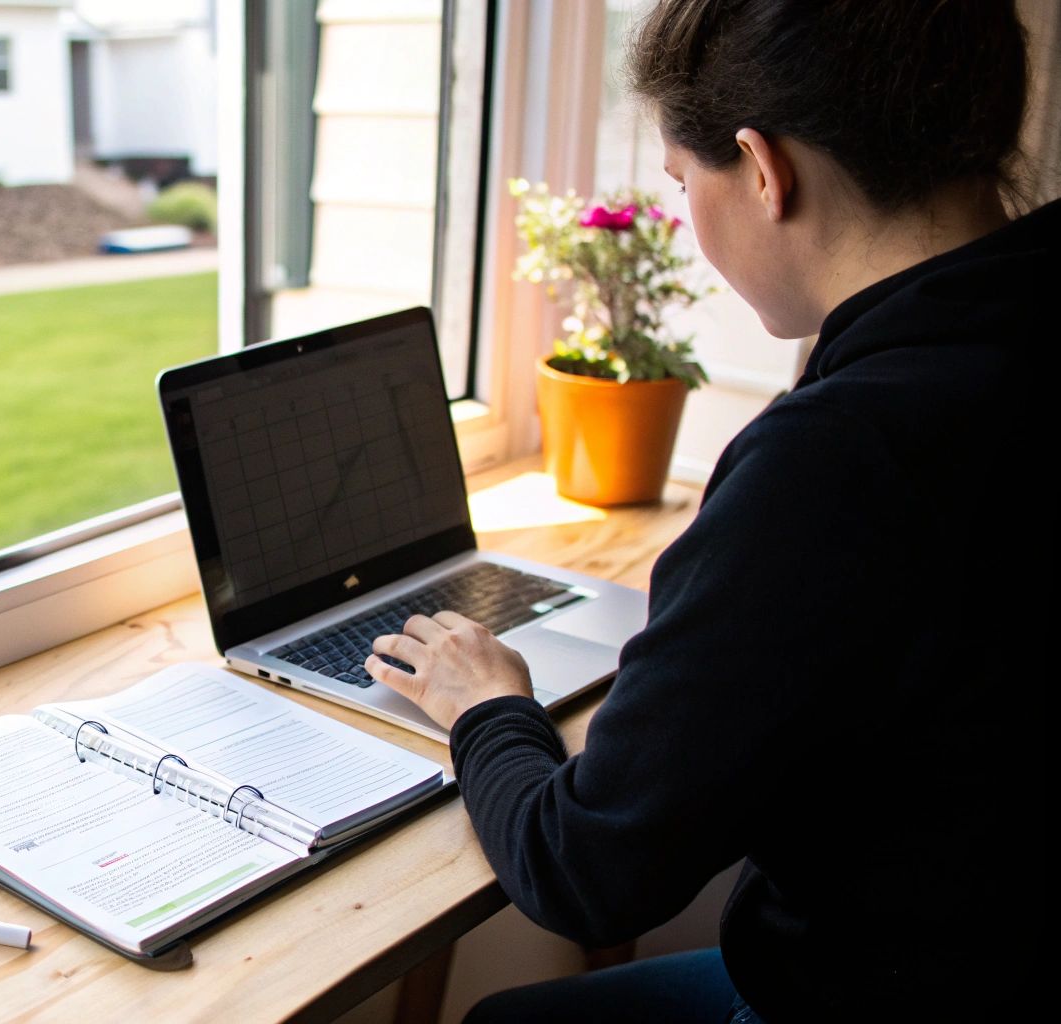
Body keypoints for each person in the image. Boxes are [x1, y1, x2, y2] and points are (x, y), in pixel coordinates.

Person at [362, 1, 1054, 1020]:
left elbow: (585, 872)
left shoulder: (837, 455)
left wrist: (485, 707)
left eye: (684, 184)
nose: (688, 214)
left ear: (762, 170)